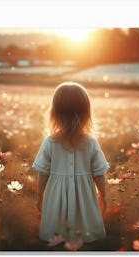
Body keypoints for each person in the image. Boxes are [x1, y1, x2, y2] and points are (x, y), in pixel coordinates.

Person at [32, 82, 109, 243]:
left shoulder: (50, 142)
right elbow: (99, 174)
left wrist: (40, 195)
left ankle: (58, 244)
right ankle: (85, 244)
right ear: (86, 113)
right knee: (85, 226)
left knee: (56, 226)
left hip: (55, 195)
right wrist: (103, 195)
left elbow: (43, 173)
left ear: (54, 114)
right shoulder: (91, 143)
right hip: (85, 196)